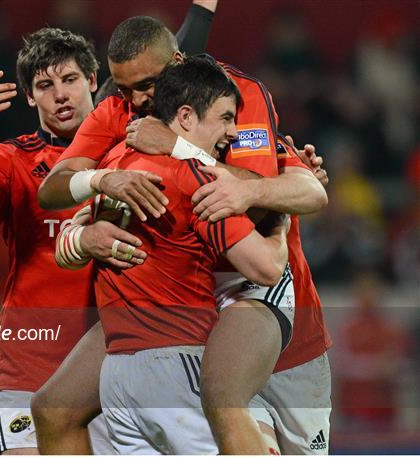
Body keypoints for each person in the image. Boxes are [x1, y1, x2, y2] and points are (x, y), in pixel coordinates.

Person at [35, 14, 331, 455]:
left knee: (230, 403)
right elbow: (55, 189)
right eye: (123, 88)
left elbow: (289, 192)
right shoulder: (122, 114)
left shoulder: (230, 97)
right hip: (176, 300)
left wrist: (179, 149)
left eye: (146, 84)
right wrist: (95, 197)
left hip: (252, 285)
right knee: (55, 409)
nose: (136, 100)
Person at [0, 2, 219, 453]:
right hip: (30, 368)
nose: (60, 95)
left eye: (70, 79)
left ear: (94, 81)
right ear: (30, 98)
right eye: (44, 86)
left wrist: (203, 8)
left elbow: (174, 62)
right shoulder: (13, 159)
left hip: (115, 366)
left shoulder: (133, 135)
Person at [95, 56, 290, 454]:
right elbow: (266, 268)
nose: (233, 132)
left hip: (115, 378)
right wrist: (280, 225)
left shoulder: (116, 164)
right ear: (185, 117)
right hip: (173, 364)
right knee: (249, 431)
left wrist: (78, 238)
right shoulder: (193, 179)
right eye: (223, 118)